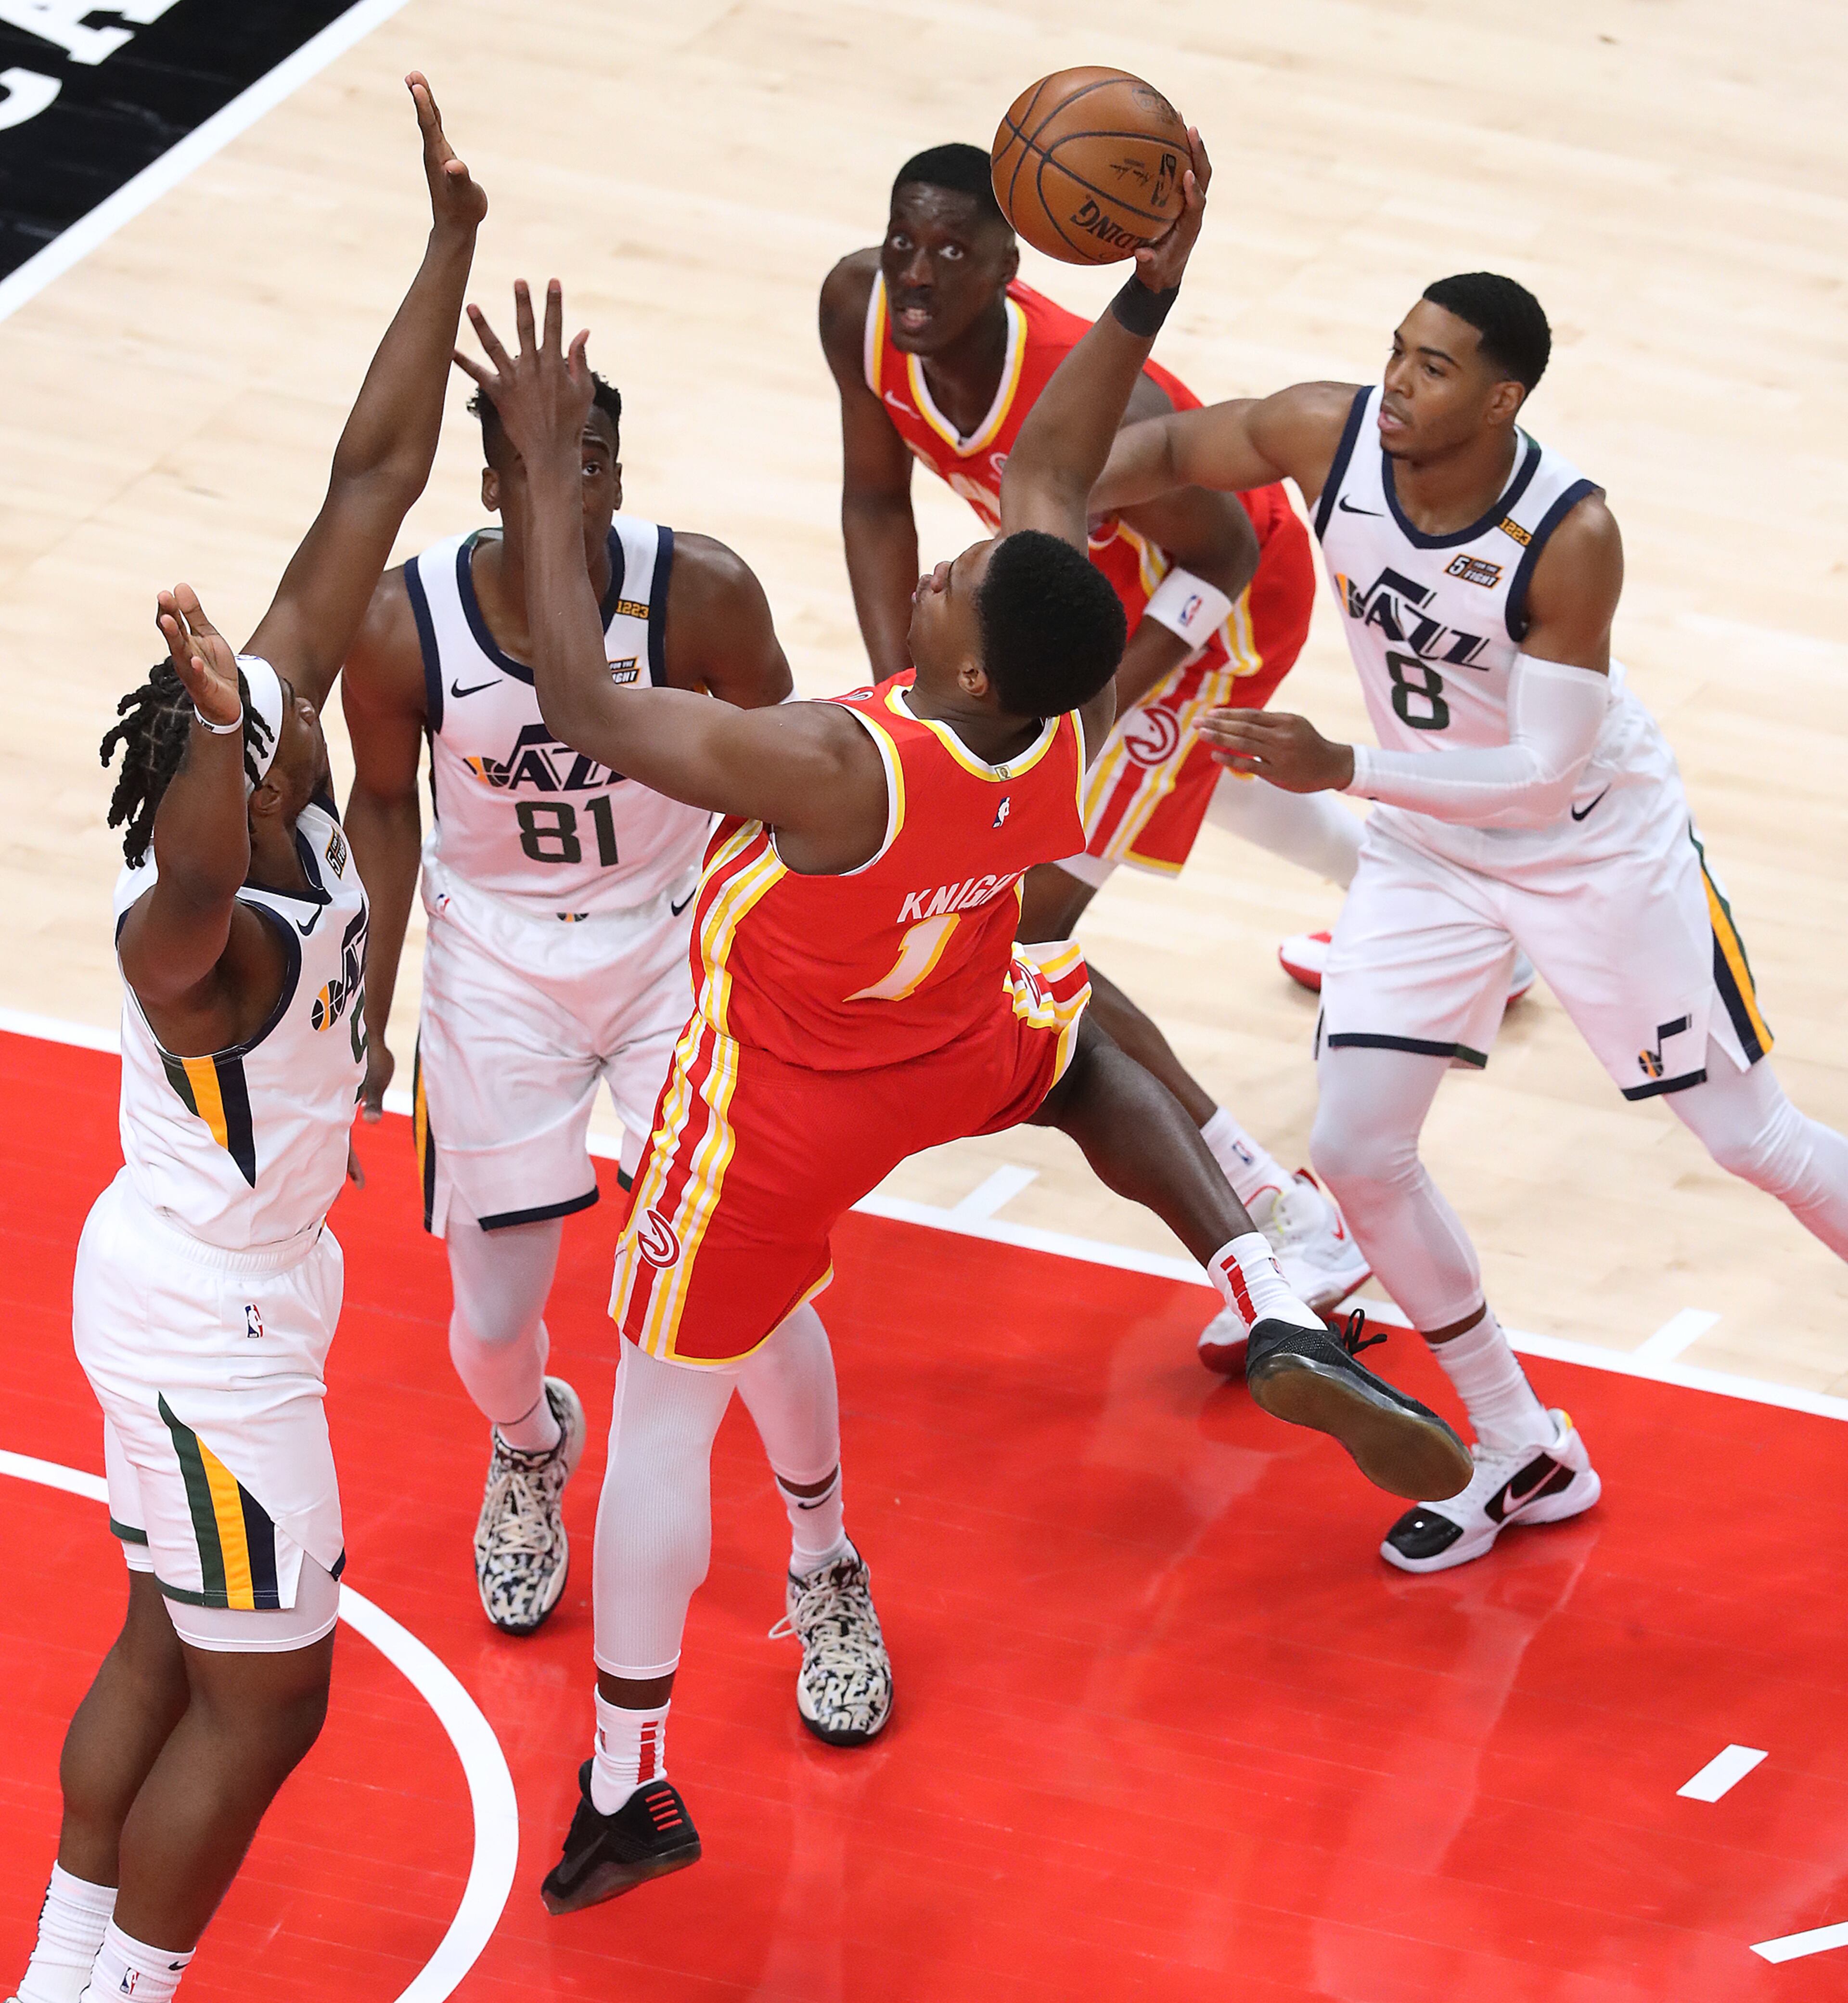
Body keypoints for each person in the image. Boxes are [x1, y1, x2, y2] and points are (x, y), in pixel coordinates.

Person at [455, 133, 1470, 1913]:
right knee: (1074, 1035)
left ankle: (630, 1780)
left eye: (945, 587)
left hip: (780, 1107)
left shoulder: (838, 765)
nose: (929, 575)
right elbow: (1060, 466)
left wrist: (545, 477)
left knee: (659, 1418)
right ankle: (1258, 1281)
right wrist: (1152, 283)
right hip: (958, 1035)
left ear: (977, 656)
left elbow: (579, 695)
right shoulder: (1065, 742)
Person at [1092, 270, 1848, 1573]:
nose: (1397, 380)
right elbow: (1160, 449)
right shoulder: (1327, 438)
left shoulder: (1569, 535)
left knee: (1750, 1138)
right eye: (1396, 351)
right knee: (1357, 1147)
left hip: (1590, 850)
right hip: (1431, 850)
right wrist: (1043, 508)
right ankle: (1521, 1442)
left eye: (1435, 368)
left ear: (1504, 398)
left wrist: (1342, 768)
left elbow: (1544, 774)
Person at [6, 78, 480, 2003]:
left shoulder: (271, 755)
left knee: (162, 1640)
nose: (297, 703)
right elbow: (195, 878)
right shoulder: (185, 928)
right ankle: (117, 1988)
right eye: (257, 720)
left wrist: (445, 242)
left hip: (195, 1279)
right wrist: (216, 738)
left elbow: (371, 478)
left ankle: (61, 1954)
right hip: (215, 1314)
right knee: (270, 1699)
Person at [341, 367, 860, 1679]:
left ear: (617, 475)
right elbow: (387, 809)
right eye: (535, 463)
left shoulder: (704, 594)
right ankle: (530, 1446)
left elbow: (789, 776)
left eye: (591, 461)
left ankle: (827, 1557)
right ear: (490, 485)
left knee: (754, 1290)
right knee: (495, 1313)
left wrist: (793, 974)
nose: (568, 487)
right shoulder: (405, 625)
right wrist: (367, 997)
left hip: (673, 937)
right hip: (494, 962)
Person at [819, 143, 1369, 1359]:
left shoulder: (1079, 386)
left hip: (1204, 603)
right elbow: (873, 501)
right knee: (1171, 798)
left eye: (954, 254)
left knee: (1031, 914)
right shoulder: (859, 312)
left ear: (1013, 271)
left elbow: (1225, 554)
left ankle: (1292, 1219)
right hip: (1050, 608)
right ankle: (1421, 891)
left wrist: (1096, 705)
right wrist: (914, 698)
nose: (917, 276)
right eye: (905, 243)